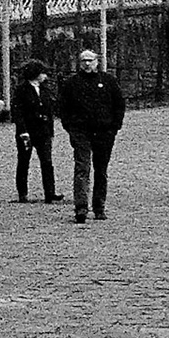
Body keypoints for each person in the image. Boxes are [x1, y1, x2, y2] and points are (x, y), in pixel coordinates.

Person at [57, 47, 124, 223]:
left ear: (97, 62)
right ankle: (81, 207)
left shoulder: (108, 81)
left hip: (104, 132)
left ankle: (99, 206)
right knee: (82, 168)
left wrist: (114, 126)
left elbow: (119, 104)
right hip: (80, 132)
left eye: (90, 60)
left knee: (101, 170)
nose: (87, 64)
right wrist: (70, 127)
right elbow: (63, 107)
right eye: (84, 61)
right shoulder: (72, 83)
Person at [11, 60, 60, 203]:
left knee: (47, 161)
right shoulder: (22, 90)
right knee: (24, 161)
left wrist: (50, 131)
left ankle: (50, 192)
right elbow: (18, 112)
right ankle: (22, 193)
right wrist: (22, 131)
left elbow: (49, 110)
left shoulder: (45, 89)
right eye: (42, 73)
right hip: (27, 130)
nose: (45, 75)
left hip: (43, 131)